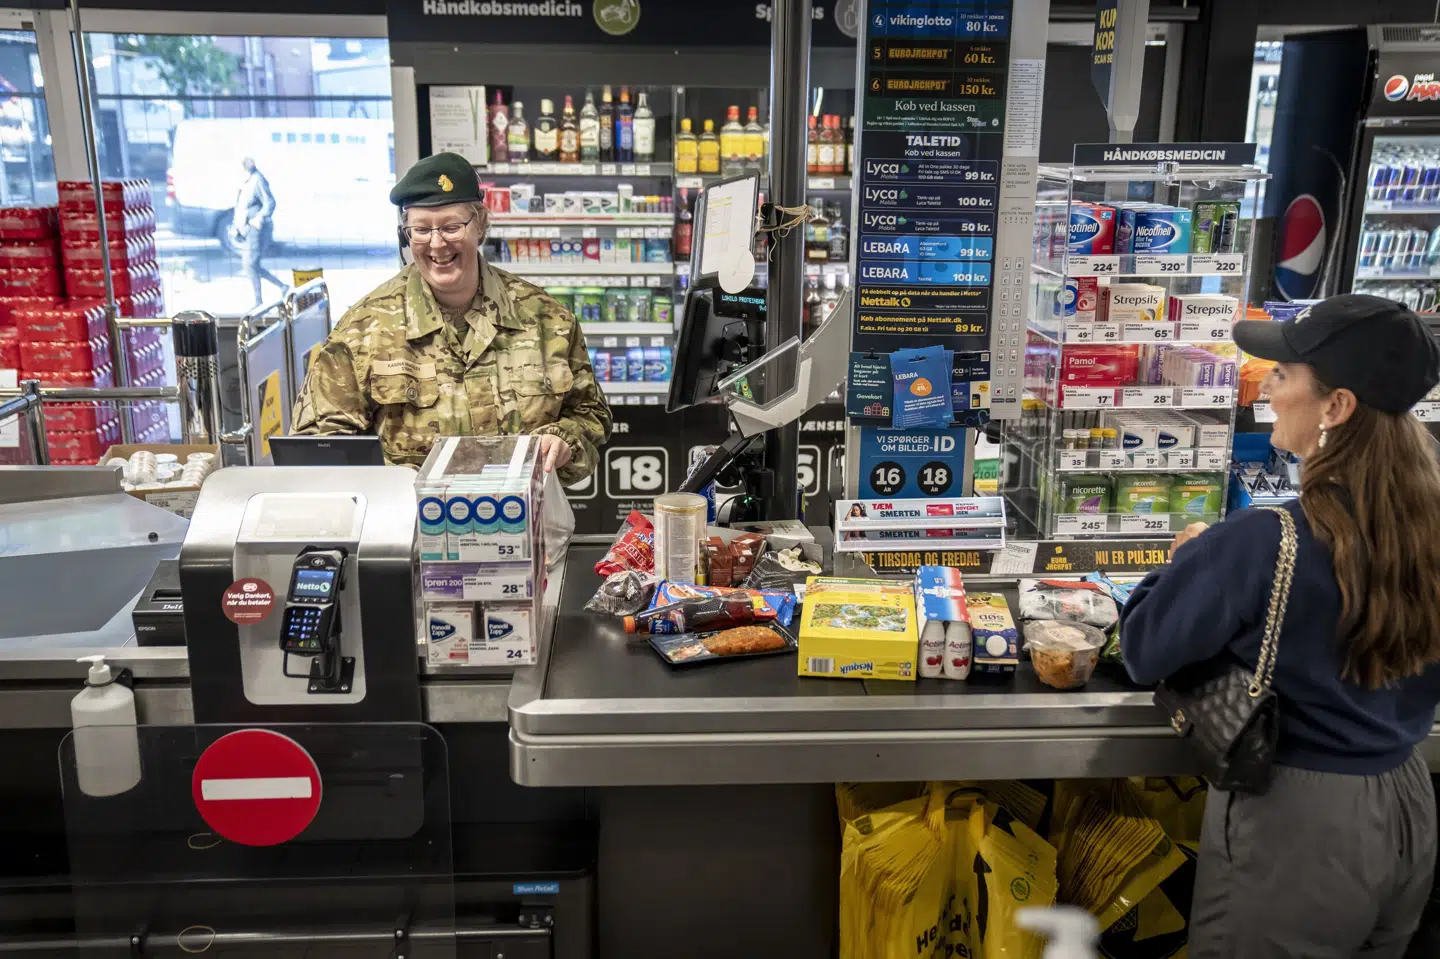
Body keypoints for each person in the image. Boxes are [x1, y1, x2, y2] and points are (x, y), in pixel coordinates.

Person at [1119, 293, 1440, 958]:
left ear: (1336, 407)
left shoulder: (1267, 539)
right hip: (1410, 806)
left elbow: (1145, 645)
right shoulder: (1428, 528)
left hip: (1301, 826)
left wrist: (1184, 562)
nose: (1266, 383)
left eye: (1284, 373)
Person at [291, 152, 610, 483]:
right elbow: (317, 448)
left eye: (451, 226)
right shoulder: (362, 331)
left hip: (527, 526)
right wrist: (389, 483)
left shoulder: (547, 319)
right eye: (421, 229)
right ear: (406, 235)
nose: (437, 243)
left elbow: (590, 413)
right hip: (411, 529)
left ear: (481, 225)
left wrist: (565, 440)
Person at [232, 157, 285, 307]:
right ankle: (281, 287)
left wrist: (257, 220)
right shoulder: (246, 182)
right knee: (250, 265)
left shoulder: (257, 180)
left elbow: (270, 202)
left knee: (250, 264)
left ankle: (259, 301)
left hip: (254, 230)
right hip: (245, 229)